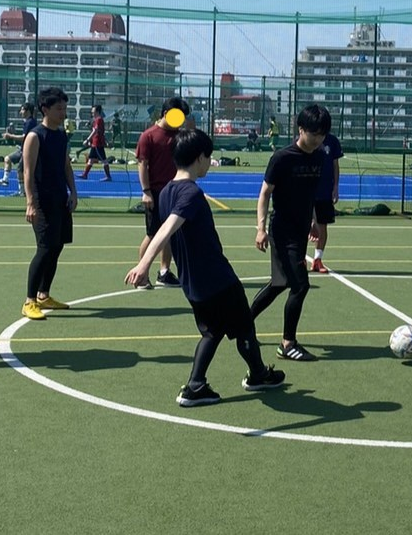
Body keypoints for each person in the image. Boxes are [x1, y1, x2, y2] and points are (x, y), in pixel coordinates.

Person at [125, 127, 286, 406]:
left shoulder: (165, 192)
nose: (209, 163)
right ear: (199, 158)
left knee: (213, 330)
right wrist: (144, 264)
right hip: (217, 277)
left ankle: (197, 385)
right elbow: (167, 229)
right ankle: (254, 375)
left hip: (194, 282)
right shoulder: (190, 193)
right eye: (208, 157)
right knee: (244, 327)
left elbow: (165, 229)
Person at [250, 104, 330, 362]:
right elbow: (264, 193)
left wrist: (315, 221)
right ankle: (288, 343)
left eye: (323, 134)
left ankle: (241, 322)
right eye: (314, 133)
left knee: (279, 284)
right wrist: (260, 229)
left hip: (300, 231)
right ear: (301, 129)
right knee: (300, 286)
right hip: (282, 232)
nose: (318, 139)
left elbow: (313, 193)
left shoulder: (319, 157)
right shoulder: (282, 158)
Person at [19, 88, 77, 321]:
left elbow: (65, 166)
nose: (63, 113)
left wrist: (73, 191)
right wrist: (31, 203)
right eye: (59, 109)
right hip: (41, 202)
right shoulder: (35, 136)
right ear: (45, 110)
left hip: (59, 199)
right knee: (44, 248)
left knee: (57, 246)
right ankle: (29, 300)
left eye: (65, 108)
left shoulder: (61, 135)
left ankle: (44, 295)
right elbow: (27, 171)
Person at [134, 97, 190, 289]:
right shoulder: (148, 136)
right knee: (152, 234)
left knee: (170, 233)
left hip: (174, 191)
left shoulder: (179, 136)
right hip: (155, 192)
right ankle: (142, 274)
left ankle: (164, 273)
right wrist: (146, 191)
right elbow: (142, 164)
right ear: (166, 114)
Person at [309, 130, 344, 273]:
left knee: (322, 226)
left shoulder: (332, 141)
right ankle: (298, 260)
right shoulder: (308, 138)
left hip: (325, 192)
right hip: (308, 191)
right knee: (304, 225)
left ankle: (317, 260)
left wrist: (335, 187)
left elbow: (335, 165)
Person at [0, 103, 38, 193]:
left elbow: (24, 137)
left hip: (28, 151)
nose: (20, 112)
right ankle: (5, 180)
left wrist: (10, 136)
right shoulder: (26, 122)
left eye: (22, 110)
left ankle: (22, 191)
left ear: (28, 111)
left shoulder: (30, 122)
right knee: (7, 159)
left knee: (20, 170)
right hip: (23, 149)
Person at [80, 104, 112, 181]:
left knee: (104, 160)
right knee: (90, 159)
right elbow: (101, 132)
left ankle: (108, 177)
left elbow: (96, 131)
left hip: (98, 144)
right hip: (95, 143)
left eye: (93, 111)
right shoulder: (97, 120)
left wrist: (87, 140)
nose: (92, 113)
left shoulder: (99, 119)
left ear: (97, 112)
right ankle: (85, 175)